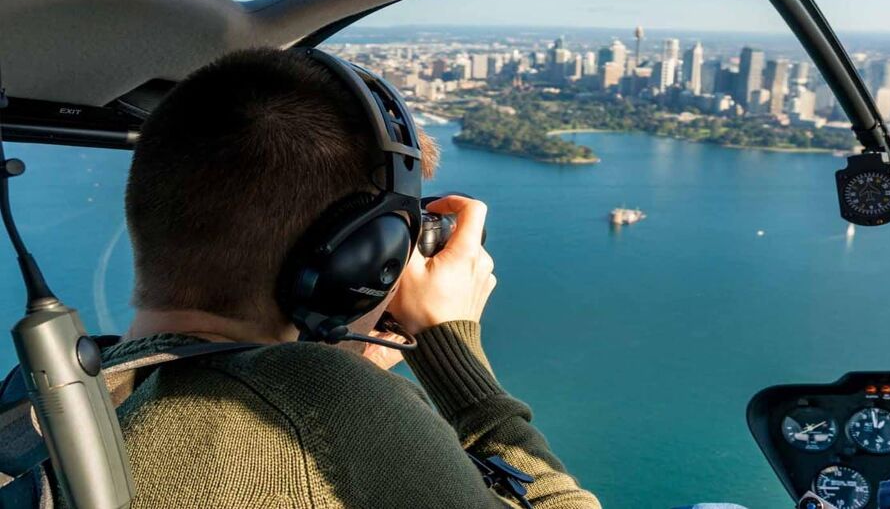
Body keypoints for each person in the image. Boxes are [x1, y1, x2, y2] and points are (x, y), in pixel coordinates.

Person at [107, 47, 601, 508]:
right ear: (360, 260)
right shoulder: (325, 407)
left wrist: (341, 340)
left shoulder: (66, 396)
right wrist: (448, 346)